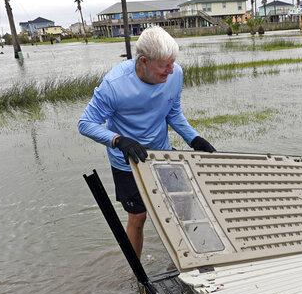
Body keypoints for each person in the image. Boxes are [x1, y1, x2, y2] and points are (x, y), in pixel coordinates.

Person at [78, 26, 215, 258]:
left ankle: (187, 259)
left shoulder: (175, 74)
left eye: (173, 63)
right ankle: (137, 274)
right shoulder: (114, 85)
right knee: (138, 217)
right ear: (143, 61)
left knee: (184, 205)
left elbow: (173, 112)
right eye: (165, 65)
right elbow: (86, 123)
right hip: (128, 161)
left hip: (162, 154)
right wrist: (118, 140)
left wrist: (194, 138)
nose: (171, 70)